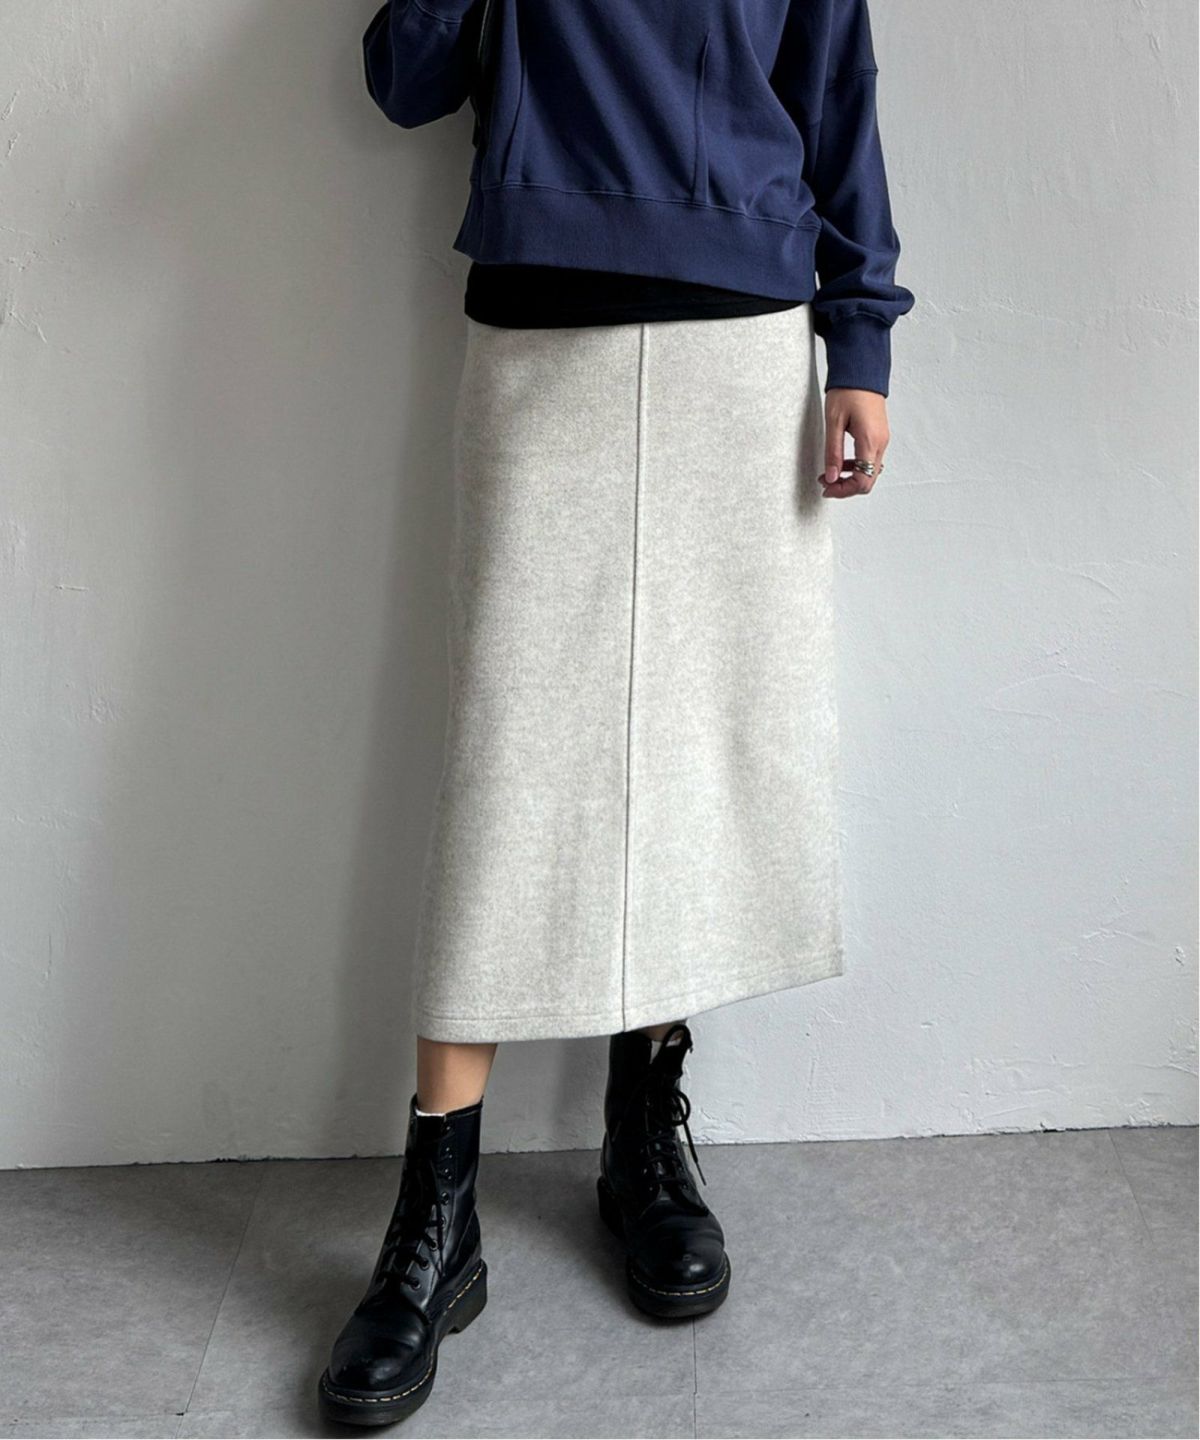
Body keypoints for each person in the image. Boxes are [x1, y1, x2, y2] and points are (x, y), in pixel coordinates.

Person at [319, 0, 915, 1425]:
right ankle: (437, 1210)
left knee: (686, 750)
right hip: (544, 320)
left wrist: (863, 340)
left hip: (743, 334)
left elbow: (834, 90)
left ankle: (641, 1137)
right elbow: (403, 79)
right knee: (511, 768)